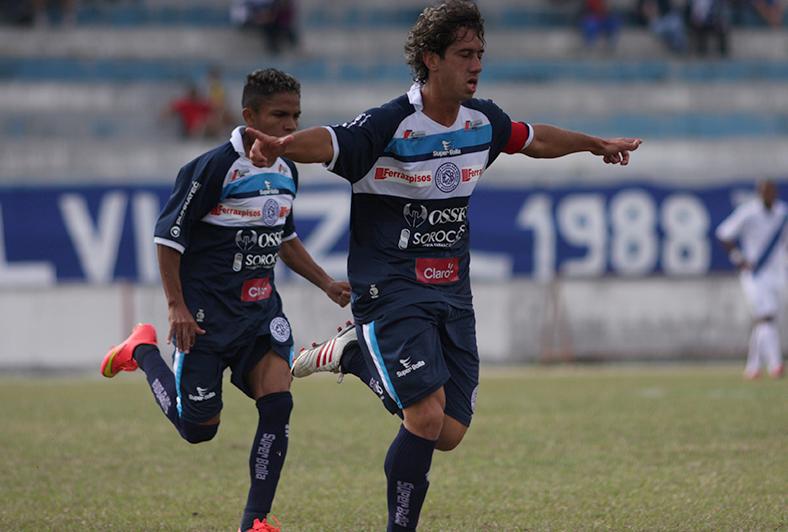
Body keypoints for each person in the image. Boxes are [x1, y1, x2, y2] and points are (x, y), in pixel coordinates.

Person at [247, 2, 641, 529]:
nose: (476, 65)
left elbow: (534, 139)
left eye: (480, 53)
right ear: (431, 59)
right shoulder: (389, 123)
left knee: (449, 431)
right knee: (425, 415)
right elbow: (332, 141)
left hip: (452, 289)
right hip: (390, 288)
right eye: (464, 54)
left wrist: (594, 144)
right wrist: (284, 145)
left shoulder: (482, 121)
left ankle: (355, 354)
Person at [100, 68, 351, 532]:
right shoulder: (214, 167)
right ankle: (143, 349)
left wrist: (326, 282)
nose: (289, 126)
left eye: (295, 116)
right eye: (279, 115)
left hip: (259, 314)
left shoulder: (288, 170)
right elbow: (168, 238)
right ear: (249, 116)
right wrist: (175, 306)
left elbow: (284, 238)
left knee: (278, 400)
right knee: (199, 430)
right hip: (204, 320)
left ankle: (255, 522)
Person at [716, 179, 786, 379]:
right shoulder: (748, 212)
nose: (768, 195)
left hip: (778, 273)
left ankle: (753, 367)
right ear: (759, 193)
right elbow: (724, 233)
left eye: (771, 191)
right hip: (755, 274)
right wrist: (738, 258)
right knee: (766, 316)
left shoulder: (782, 213)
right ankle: (776, 364)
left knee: (766, 320)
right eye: (764, 192)